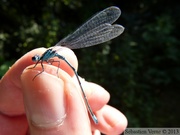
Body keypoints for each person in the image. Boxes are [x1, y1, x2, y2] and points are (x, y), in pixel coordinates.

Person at [0, 47, 127, 135]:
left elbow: (51, 66)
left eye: (36, 59)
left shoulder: (47, 57)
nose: (35, 60)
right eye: (35, 59)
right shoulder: (43, 58)